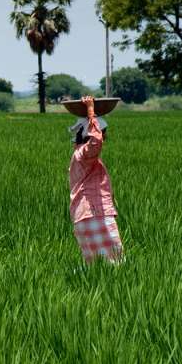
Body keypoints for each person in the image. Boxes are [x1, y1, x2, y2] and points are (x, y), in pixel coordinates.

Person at [67, 95, 123, 264]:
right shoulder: (85, 154)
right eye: (102, 132)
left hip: (84, 216)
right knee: (115, 263)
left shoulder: (79, 154)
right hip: (94, 215)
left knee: (95, 267)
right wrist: (91, 110)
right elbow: (96, 141)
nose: (104, 136)